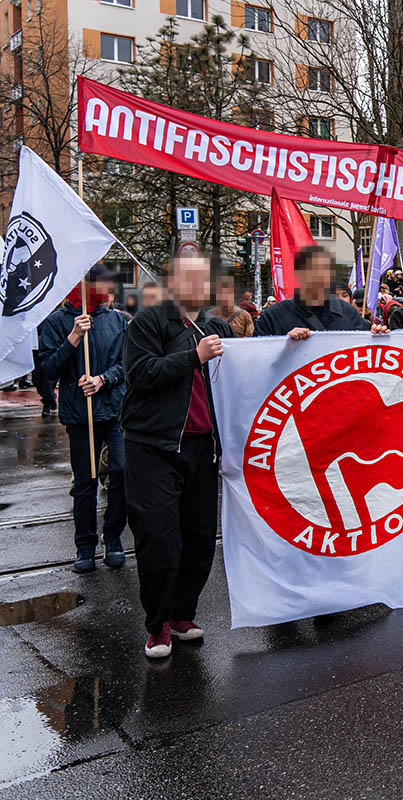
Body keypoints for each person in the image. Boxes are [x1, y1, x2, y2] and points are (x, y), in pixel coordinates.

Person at [122, 254, 234, 659]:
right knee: (158, 538)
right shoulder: (149, 322)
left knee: (200, 538)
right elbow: (140, 375)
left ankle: (183, 613)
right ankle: (157, 626)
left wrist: (292, 340)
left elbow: (249, 367)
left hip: (201, 449)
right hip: (153, 446)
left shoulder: (213, 325)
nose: (199, 285)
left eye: (203, 278)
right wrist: (194, 357)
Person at [38, 264, 128, 573]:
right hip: (80, 416)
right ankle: (85, 545)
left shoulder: (118, 321)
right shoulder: (55, 323)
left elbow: (126, 364)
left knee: (122, 471)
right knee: (85, 482)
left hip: (114, 411)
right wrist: (73, 338)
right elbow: (47, 371)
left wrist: (103, 379)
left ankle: (113, 538)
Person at [255, 246, 383, 337]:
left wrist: (377, 337)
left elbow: (363, 355)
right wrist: (284, 344)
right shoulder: (273, 317)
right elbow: (260, 358)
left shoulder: (349, 313)